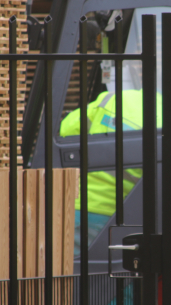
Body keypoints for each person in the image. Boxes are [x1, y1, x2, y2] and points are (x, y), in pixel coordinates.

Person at [59, 88, 161, 256]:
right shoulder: (167, 115)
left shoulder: (112, 99)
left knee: (69, 271)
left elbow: (67, 128)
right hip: (123, 212)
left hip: (79, 203)